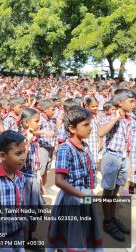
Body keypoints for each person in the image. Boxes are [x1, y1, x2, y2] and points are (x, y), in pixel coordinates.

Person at [47, 106, 103, 251]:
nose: (90, 128)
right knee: (71, 232)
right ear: (72, 129)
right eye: (85, 125)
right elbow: (59, 181)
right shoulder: (66, 149)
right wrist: (82, 195)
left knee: (82, 230)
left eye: (89, 124)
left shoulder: (85, 146)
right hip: (72, 198)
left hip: (84, 195)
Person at [98, 89, 135, 241]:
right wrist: (115, 119)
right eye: (131, 101)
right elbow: (101, 133)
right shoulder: (110, 117)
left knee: (117, 189)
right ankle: (107, 221)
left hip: (124, 157)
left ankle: (112, 218)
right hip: (112, 157)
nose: (134, 104)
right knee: (108, 190)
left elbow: (132, 143)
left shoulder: (131, 119)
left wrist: (132, 164)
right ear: (120, 103)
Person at [19, 108, 44, 243]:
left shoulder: (34, 137)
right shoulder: (21, 138)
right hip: (24, 179)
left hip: (33, 176)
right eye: (36, 121)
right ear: (26, 123)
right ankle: (24, 240)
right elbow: (21, 158)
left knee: (33, 211)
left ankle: (29, 238)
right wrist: (27, 141)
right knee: (25, 212)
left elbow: (36, 161)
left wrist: (39, 178)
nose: (39, 124)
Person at [84, 96, 101, 163]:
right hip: (86, 141)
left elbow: (99, 128)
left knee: (93, 162)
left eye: (96, 106)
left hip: (95, 141)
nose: (95, 108)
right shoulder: (84, 116)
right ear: (87, 106)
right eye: (93, 106)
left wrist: (100, 141)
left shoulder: (97, 116)